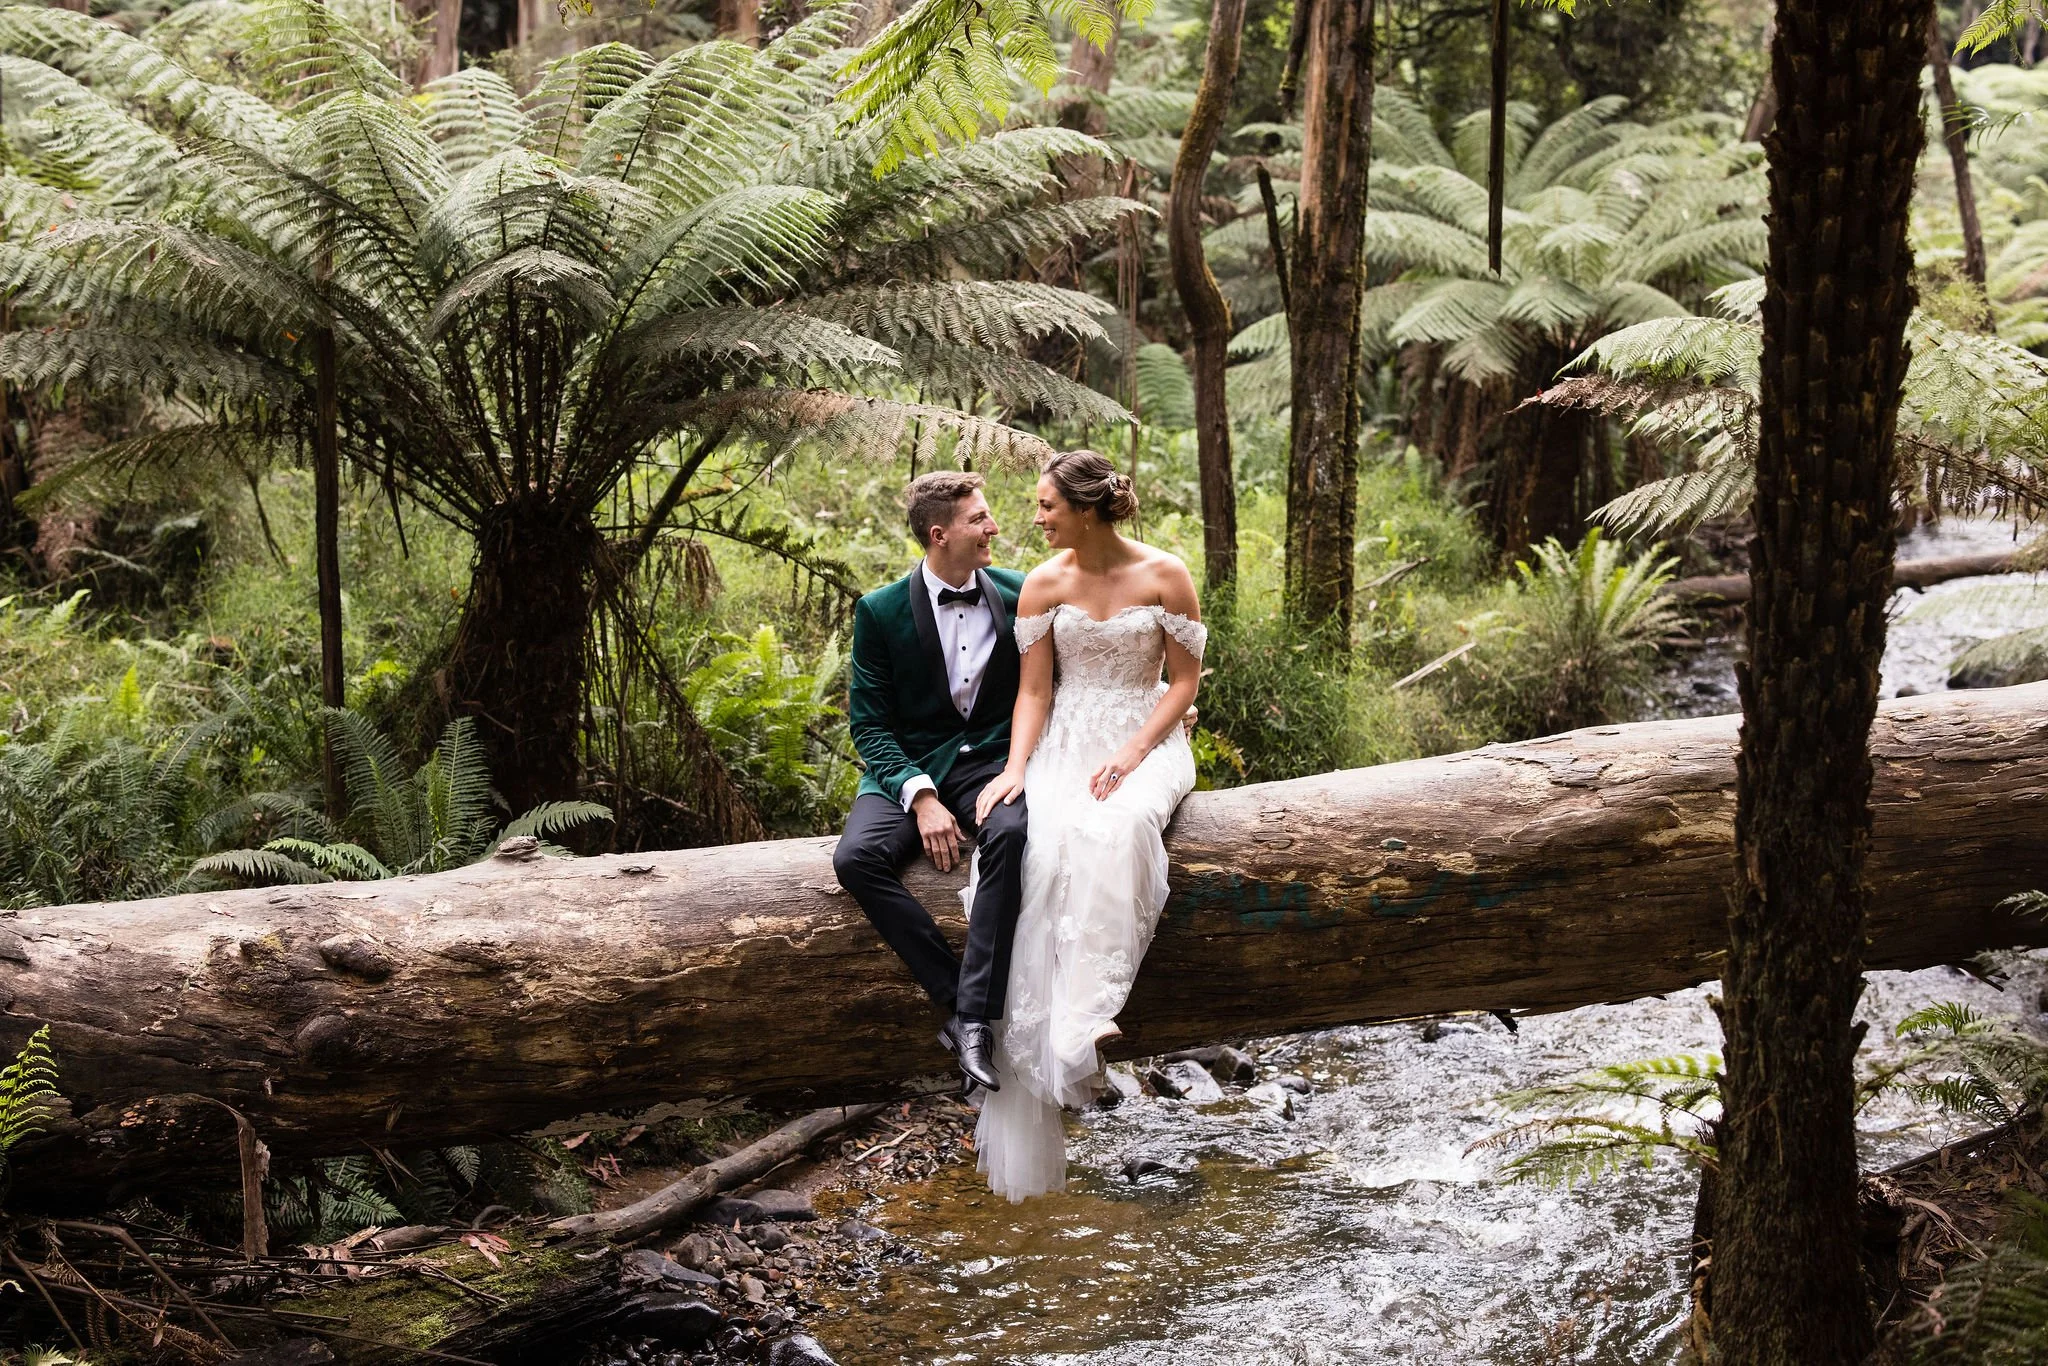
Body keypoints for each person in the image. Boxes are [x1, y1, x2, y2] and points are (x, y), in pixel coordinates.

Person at [966, 449, 1205, 1202]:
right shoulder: (1044, 584)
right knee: (1041, 851)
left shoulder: (1166, 574)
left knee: (1121, 825)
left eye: (1047, 506)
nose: (1036, 518)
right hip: (1066, 742)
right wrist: (1015, 768)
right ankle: (1035, 1037)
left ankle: (1089, 1019)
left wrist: (1135, 752)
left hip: (1146, 738)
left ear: (1088, 508)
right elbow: (1035, 693)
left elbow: (1185, 681)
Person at [833, 471, 1029, 1093]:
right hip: (910, 764)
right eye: (979, 519)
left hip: (991, 764)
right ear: (940, 534)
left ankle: (973, 1018)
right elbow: (868, 725)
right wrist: (919, 795)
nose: (993, 527)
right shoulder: (880, 610)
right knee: (855, 859)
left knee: (1012, 833)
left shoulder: (1021, 592)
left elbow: (1069, 676)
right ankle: (958, 1004)